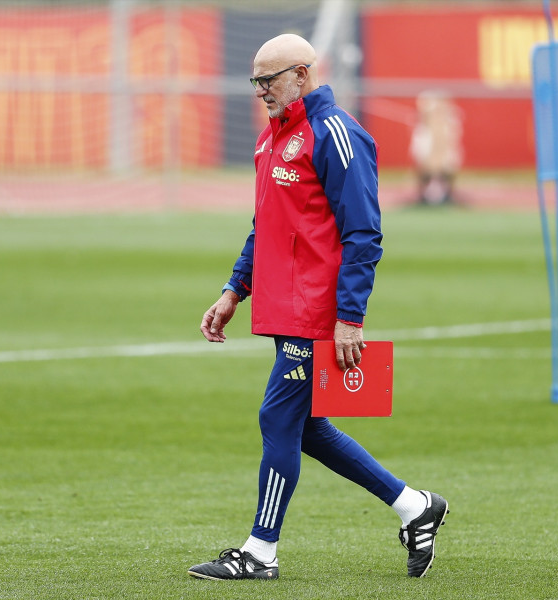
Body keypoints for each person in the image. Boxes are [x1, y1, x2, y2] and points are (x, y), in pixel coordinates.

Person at [189, 34, 449, 581]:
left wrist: (350, 317)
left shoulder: (336, 134)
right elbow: (267, 225)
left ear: (302, 75)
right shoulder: (272, 139)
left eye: (270, 79)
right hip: (285, 308)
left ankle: (260, 553)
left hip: (318, 312)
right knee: (305, 427)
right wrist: (234, 289)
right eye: (256, 81)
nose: (261, 90)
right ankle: (414, 506)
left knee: (276, 417)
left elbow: (364, 234)